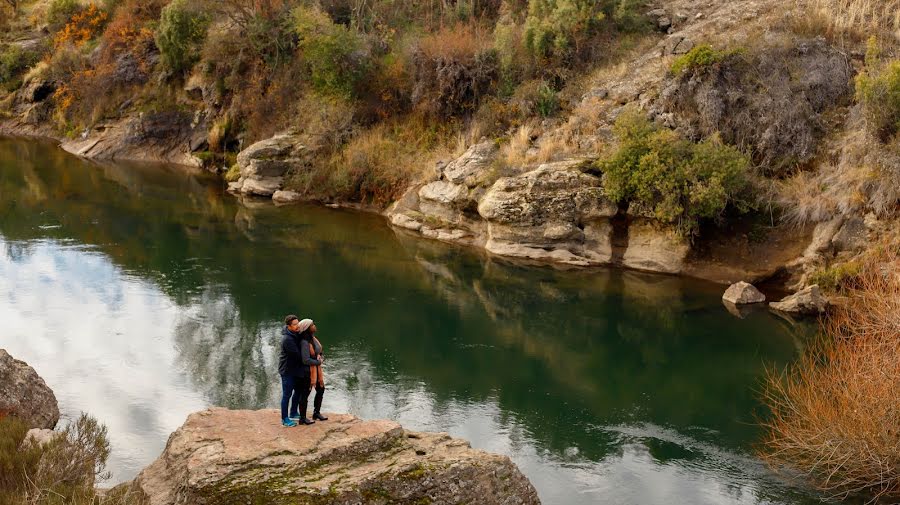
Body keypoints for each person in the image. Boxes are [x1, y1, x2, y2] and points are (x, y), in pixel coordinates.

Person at [278, 315, 316, 427]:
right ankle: (285, 419)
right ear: (288, 326)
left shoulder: (296, 334)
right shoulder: (287, 340)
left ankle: (293, 412)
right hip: (287, 371)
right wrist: (312, 359)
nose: (297, 326)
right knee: (287, 395)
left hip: (297, 370)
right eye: (294, 324)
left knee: (298, 392)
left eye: (298, 323)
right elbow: (299, 356)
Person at [307, 321, 328, 421]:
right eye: (312, 325)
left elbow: (320, 352)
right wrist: (317, 361)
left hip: (317, 369)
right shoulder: (304, 341)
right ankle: (301, 416)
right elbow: (304, 359)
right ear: (307, 328)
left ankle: (316, 412)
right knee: (305, 392)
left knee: (321, 389)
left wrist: (321, 357)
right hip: (308, 370)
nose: (314, 326)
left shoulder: (313, 338)